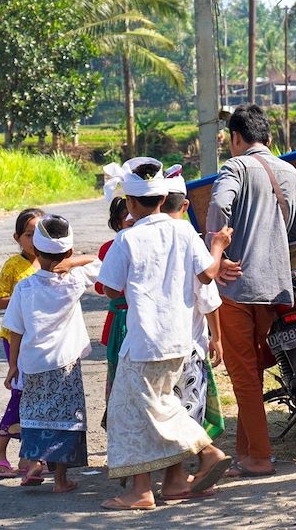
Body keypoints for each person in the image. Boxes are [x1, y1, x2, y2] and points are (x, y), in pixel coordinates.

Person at [97, 157, 234, 510]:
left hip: (145, 341)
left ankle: (153, 484)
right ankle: (172, 482)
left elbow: (111, 290)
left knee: (127, 414)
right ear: (164, 198)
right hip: (180, 341)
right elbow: (206, 275)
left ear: (129, 203)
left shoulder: (127, 239)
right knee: (159, 406)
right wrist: (217, 245)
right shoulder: (184, 230)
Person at [207, 104, 296, 478]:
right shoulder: (289, 171)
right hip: (276, 286)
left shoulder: (235, 167)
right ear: (267, 136)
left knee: (243, 373)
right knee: (251, 370)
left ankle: (260, 457)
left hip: (237, 285)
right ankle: (246, 452)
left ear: (236, 138)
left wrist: (216, 253)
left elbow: (218, 204)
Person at [2, 214, 101, 493]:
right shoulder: (75, 280)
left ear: (35, 250)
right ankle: (60, 480)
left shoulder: (24, 288)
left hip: (32, 363)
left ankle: (33, 464)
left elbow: (15, 330)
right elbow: (99, 263)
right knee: (67, 417)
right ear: (68, 251)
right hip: (65, 363)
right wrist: (73, 261)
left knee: (35, 414)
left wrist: (12, 366)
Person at [160, 172, 226, 441]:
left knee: (164, 411)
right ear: (185, 206)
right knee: (189, 409)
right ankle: (199, 464)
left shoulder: (140, 237)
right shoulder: (189, 237)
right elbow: (207, 296)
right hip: (188, 347)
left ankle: (170, 471)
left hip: (154, 348)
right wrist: (217, 338)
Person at [0, 208, 44, 478]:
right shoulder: (13, 265)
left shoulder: (51, 261)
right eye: (29, 235)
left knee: (35, 396)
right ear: (17, 237)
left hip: (41, 339)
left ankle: (27, 457)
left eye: (40, 234)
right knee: (19, 393)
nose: (34, 240)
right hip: (14, 339)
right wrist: (26, 294)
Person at [94, 196, 133, 428]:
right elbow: (102, 286)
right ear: (117, 223)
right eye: (127, 222)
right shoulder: (109, 248)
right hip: (119, 320)